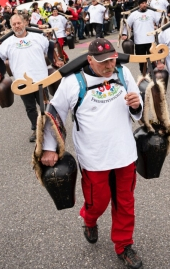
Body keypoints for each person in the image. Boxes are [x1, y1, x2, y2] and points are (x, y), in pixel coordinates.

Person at [40, 38, 144, 269]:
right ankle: (90, 219)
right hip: (94, 158)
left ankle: (124, 245)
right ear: (89, 60)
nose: (109, 66)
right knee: (98, 202)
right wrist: (49, 147)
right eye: (103, 62)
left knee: (125, 202)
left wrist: (137, 105)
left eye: (112, 61)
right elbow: (54, 114)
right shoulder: (73, 82)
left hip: (124, 152)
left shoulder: (124, 73)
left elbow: (137, 108)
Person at [0, 14, 51, 142]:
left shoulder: (38, 37)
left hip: (40, 78)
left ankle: (46, 128)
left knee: (44, 105)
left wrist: (57, 60)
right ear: (11, 26)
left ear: (24, 23)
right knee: (30, 107)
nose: (17, 26)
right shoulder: (7, 43)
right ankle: (36, 130)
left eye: (19, 23)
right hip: (22, 81)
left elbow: (49, 50)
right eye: (14, 24)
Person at [122, 0, 158, 74]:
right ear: (139, 5)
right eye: (142, 3)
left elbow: (159, 22)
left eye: (145, 3)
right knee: (141, 62)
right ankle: (143, 75)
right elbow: (127, 25)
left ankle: (152, 75)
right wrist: (124, 33)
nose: (144, 5)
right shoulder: (133, 15)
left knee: (152, 60)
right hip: (139, 42)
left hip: (151, 41)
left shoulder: (152, 13)